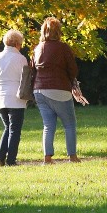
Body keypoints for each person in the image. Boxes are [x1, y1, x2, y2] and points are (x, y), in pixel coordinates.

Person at [33, 17, 89, 164]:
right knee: (69, 124)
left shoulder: (37, 48)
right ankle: (72, 156)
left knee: (48, 125)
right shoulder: (63, 47)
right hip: (59, 89)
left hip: (39, 90)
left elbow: (32, 69)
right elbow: (73, 69)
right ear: (58, 31)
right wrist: (73, 84)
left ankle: (47, 158)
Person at [0, 29, 29, 165]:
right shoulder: (21, 59)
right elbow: (24, 80)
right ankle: (11, 160)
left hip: (0, 97)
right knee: (14, 130)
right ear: (18, 43)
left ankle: (1, 156)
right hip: (16, 98)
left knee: (8, 127)